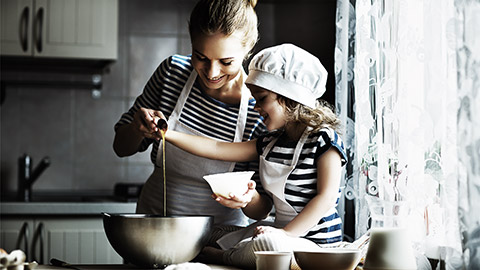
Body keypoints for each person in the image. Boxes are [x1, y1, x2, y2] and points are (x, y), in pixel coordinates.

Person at [164, 43, 348, 269]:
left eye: (261, 98)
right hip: (277, 232)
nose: (255, 107)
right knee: (213, 232)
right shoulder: (269, 143)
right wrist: (166, 134)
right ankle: (238, 251)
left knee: (268, 243)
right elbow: (217, 148)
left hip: (315, 247)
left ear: (289, 97)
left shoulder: (323, 140)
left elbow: (326, 198)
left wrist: (285, 235)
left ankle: (223, 257)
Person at [113, 0, 265, 228]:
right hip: (152, 227)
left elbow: (262, 208)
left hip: (220, 237)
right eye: (200, 57)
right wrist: (137, 128)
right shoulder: (172, 74)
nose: (212, 72)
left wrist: (248, 198)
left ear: (248, 49)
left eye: (226, 62)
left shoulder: (260, 107)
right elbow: (121, 147)